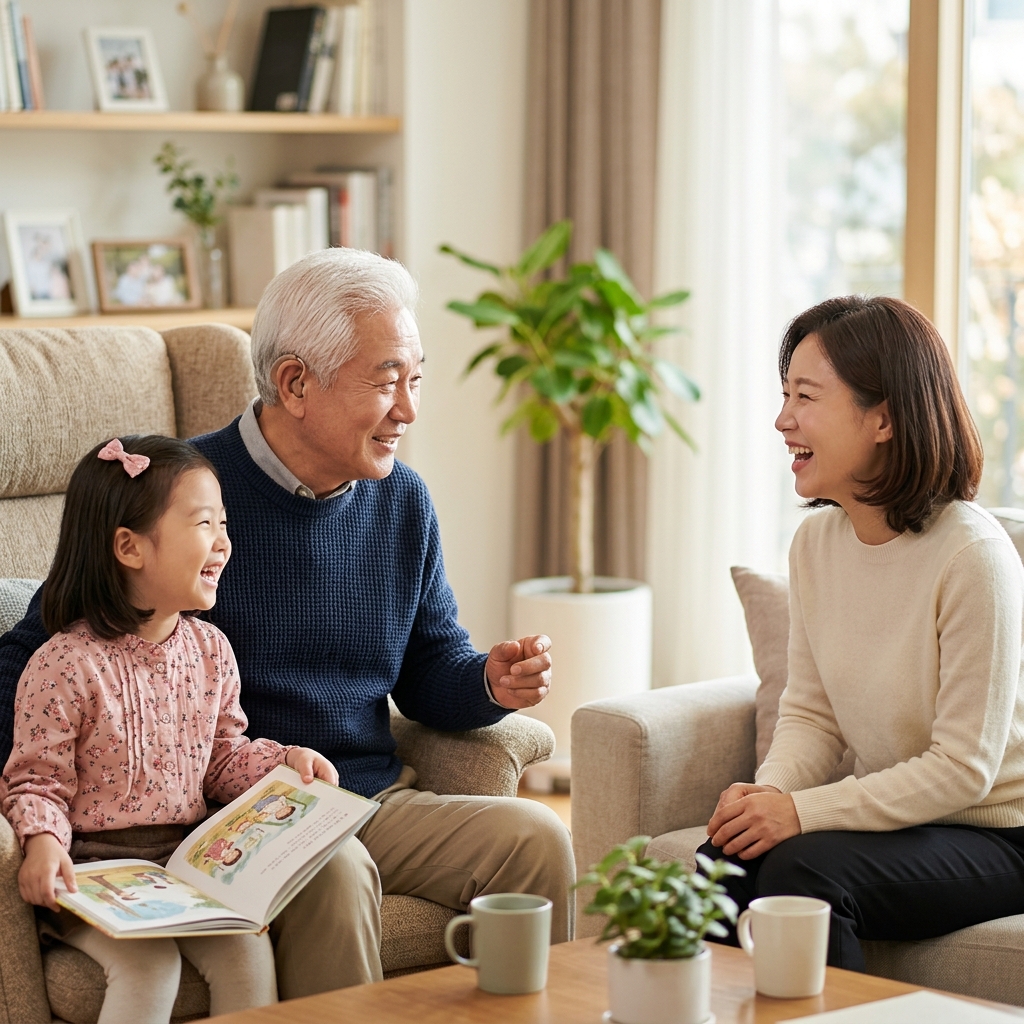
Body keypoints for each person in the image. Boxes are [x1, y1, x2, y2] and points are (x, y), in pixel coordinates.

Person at [0, 248, 574, 998]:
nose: (408, 408)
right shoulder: (181, 505)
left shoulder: (403, 500)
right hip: (228, 816)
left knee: (537, 838)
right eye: (387, 379)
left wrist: (488, 681)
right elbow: (37, 655)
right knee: (334, 869)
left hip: (364, 794)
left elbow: (431, 668)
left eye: (417, 378)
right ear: (295, 383)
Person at [697, 295, 1024, 970]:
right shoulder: (816, 543)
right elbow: (812, 716)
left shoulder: (973, 556)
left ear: (884, 417)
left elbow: (964, 768)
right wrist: (771, 798)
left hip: (999, 832)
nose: (782, 420)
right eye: (785, 393)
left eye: (806, 396)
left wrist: (802, 814)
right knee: (719, 866)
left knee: (806, 875)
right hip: (904, 823)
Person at [2, 435, 338, 1024]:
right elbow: (36, 781)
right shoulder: (62, 664)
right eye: (204, 523)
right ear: (129, 548)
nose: (225, 542)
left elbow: (224, 758)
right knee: (149, 964)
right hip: (89, 875)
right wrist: (43, 841)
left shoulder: (212, 651)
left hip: (184, 868)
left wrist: (285, 763)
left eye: (224, 523)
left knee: (246, 949)